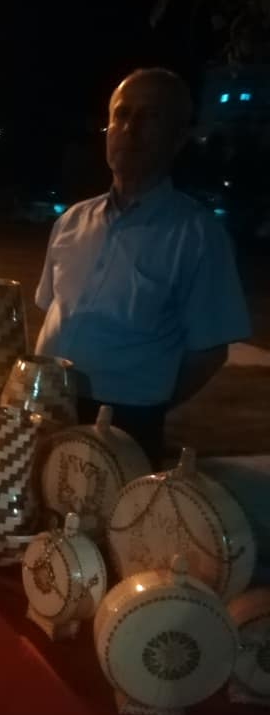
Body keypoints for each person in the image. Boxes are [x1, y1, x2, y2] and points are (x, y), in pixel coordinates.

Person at [34, 68, 251, 467]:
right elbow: (52, 311)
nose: (130, 129)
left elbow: (208, 351)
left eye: (150, 117)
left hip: (126, 422)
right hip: (47, 406)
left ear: (178, 138)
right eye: (121, 114)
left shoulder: (197, 235)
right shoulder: (71, 222)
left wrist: (148, 404)